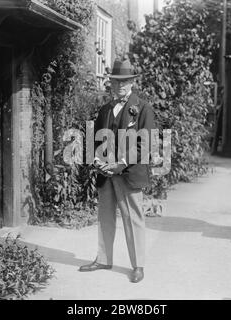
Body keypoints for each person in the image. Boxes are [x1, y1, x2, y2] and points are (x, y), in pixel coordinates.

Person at [79, 59, 156, 283]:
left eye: (125, 81)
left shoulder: (143, 109)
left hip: (129, 174)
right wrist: (96, 160)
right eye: (116, 81)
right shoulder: (104, 110)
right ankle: (103, 259)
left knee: (133, 219)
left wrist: (120, 163)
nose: (120, 86)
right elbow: (96, 140)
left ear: (132, 82)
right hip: (106, 175)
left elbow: (146, 143)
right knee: (105, 218)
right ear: (111, 83)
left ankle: (138, 265)